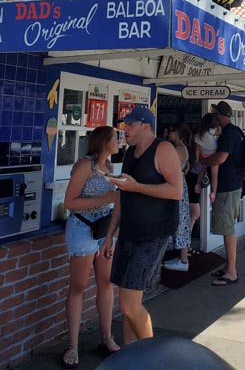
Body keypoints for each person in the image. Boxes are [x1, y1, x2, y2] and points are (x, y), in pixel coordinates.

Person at [102, 106, 183, 345]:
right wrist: (110, 235)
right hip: (128, 233)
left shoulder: (163, 149)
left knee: (128, 305)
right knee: (128, 306)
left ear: (145, 126)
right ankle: (131, 356)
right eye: (125, 125)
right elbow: (121, 196)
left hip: (153, 234)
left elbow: (176, 191)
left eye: (130, 125)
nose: (124, 130)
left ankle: (153, 358)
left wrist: (137, 187)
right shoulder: (130, 153)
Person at [62, 126, 121, 368]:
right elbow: (69, 202)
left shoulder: (109, 167)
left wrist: (111, 234)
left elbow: (113, 204)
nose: (120, 141)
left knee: (105, 283)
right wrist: (105, 199)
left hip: (103, 230)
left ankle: (106, 337)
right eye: (116, 138)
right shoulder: (84, 165)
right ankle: (73, 345)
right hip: (82, 228)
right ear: (103, 141)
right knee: (78, 285)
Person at [200, 101, 243, 286]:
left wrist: (202, 161)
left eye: (215, 114)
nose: (214, 117)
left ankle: (231, 271)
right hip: (231, 185)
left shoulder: (229, 133)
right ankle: (228, 267)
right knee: (228, 228)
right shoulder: (233, 132)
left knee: (228, 229)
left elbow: (220, 158)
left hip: (228, 186)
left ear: (220, 115)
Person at [163, 123, 192, 272]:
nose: (168, 132)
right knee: (181, 221)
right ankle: (182, 257)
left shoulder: (177, 149)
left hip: (175, 186)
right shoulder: (182, 148)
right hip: (180, 185)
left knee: (180, 222)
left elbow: (165, 166)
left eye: (172, 130)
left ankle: (183, 259)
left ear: (179, 134)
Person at [194, 113, 221, 204]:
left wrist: (197, 159)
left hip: (204, 155)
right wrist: (218, 126)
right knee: (214, 176)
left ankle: (197, 185)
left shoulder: (199, 134)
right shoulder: (211, 130)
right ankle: (213, 193)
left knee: (202, 170)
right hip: (213, 155)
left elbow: (197, 148)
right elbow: (220, 132)